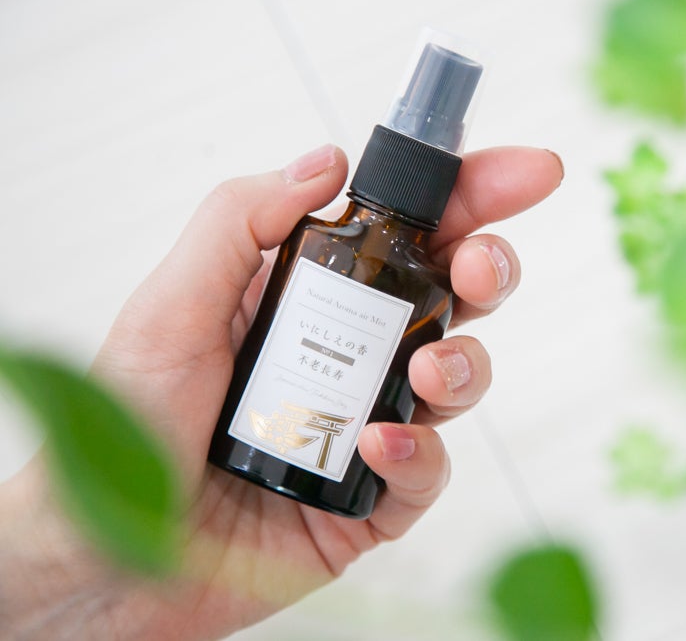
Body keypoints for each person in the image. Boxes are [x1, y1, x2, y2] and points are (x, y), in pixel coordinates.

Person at [0, 143, 563, 639]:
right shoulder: (317, 240)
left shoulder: (418, 281)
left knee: (437, 370)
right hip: (204, 488)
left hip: (248, 527)